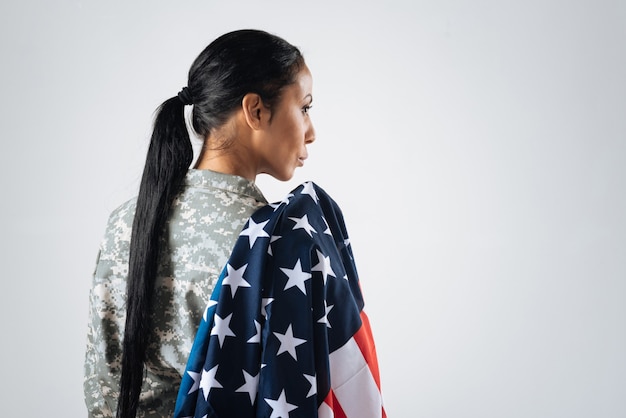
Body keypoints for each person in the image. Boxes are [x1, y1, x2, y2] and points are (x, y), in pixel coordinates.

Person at [85, 29, 384, 418]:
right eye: (305, 108)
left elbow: (104, 384)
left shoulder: (124, 222)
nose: (312, 132)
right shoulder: (276, 241)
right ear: (255, 110)